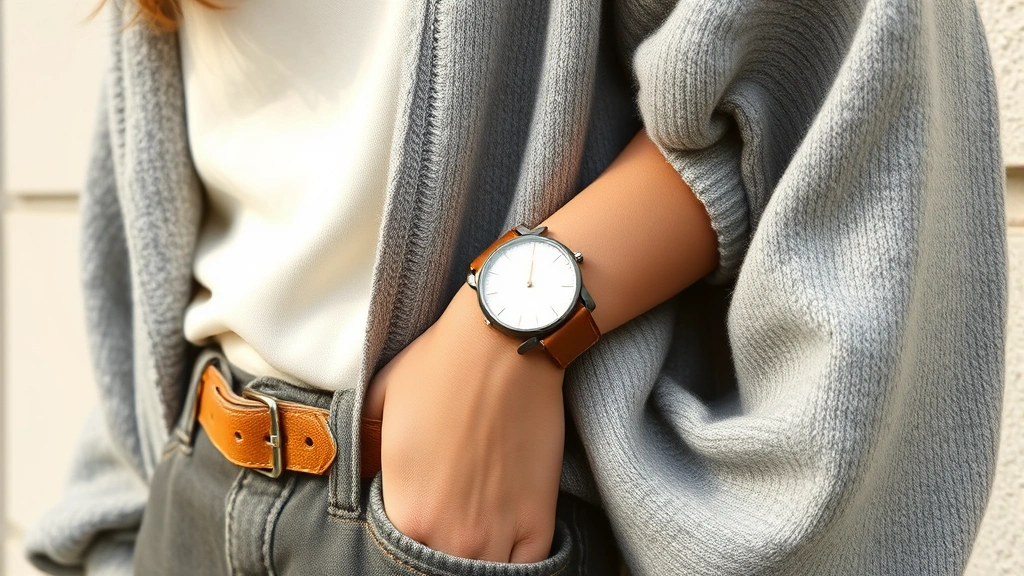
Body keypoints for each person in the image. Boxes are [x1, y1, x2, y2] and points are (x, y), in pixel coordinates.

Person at [25, 0, 1007, 574]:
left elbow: (827, 63)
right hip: (192, 497)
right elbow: (167, 181)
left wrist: (508, 328)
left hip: (460, 525)